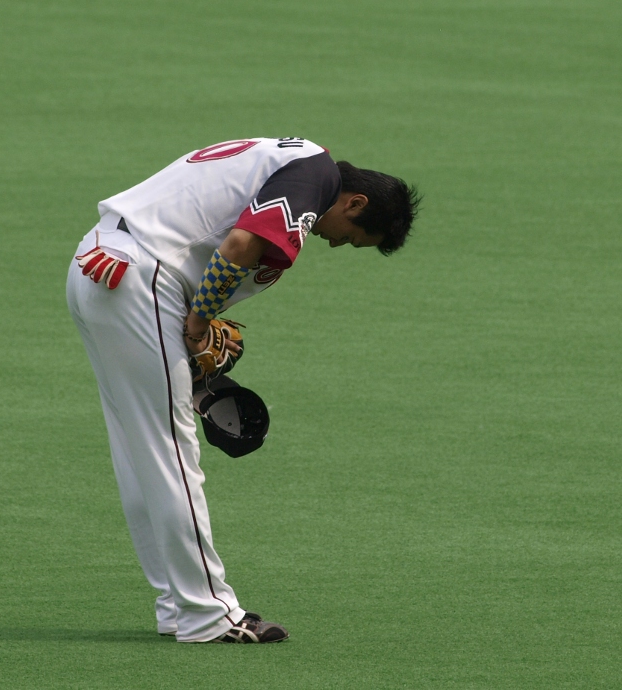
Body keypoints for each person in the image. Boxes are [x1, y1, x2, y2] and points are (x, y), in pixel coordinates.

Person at [65, 137, 420, 643]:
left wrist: (194, 334)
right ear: (355, 203)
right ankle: (209, 614)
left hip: (102, 266)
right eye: (350, 237)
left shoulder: (286, 160)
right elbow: (237, 247)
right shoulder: (315, 173)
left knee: (141, 451)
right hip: (142, 276)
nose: (337, 244)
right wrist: (199, 322)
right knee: (170, 451)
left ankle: (179, 604)